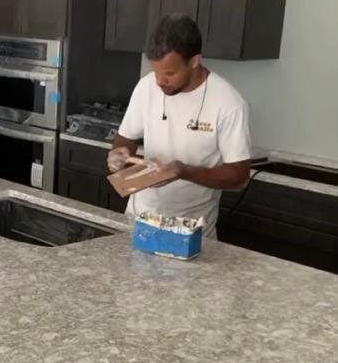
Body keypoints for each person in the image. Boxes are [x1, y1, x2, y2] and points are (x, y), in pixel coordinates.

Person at [108, 14, 252, 238]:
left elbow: (239, 177)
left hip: (191, 230)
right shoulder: (146, 87)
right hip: (138, 221)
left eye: (169, 73)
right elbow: (126, 138)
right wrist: (120, 152)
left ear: (195, 61)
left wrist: (183, 171)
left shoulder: (229, 103)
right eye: (155, 72)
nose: (159, 81)